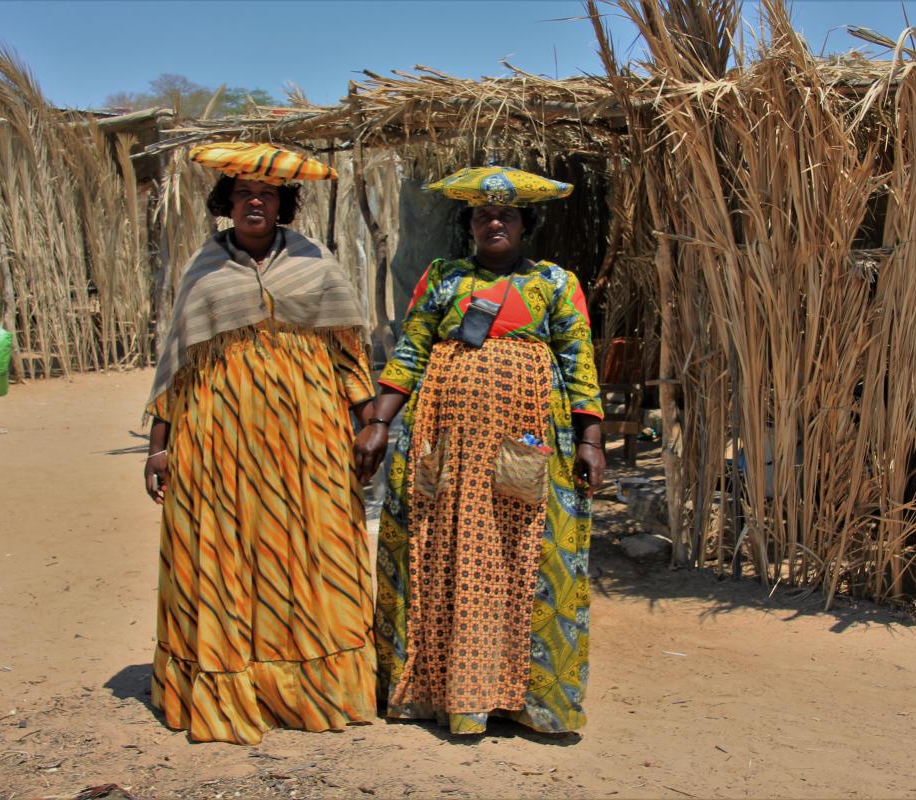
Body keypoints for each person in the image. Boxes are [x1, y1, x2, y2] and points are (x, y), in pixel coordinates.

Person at [354, 165, 605, 736]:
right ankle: (434, 692)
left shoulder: (554, 283)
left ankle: (524, 700)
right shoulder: (443, 278)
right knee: (441, 550)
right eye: (484, 214)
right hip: (445, 441)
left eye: (507, 214)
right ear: (469, 223)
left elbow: (578, 361)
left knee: (522, 552)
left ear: (525, 223)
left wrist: (591, 439)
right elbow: (411, 351)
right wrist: (379, 423)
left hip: (526, 444)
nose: (495, 221)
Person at [143, 142, 377, 745]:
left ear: (283, 204)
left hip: (309, 435)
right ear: (226, 203)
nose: (254, 202)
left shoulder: (317, 265)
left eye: (267, 194)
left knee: (312, 543)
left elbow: (349, 354)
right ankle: (233, 681)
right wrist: (158, 445)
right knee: (228, 549)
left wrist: (369, 425)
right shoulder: (204, 269)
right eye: (244, 193)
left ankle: (310, 686)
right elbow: (176, 362)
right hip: (218, 434)